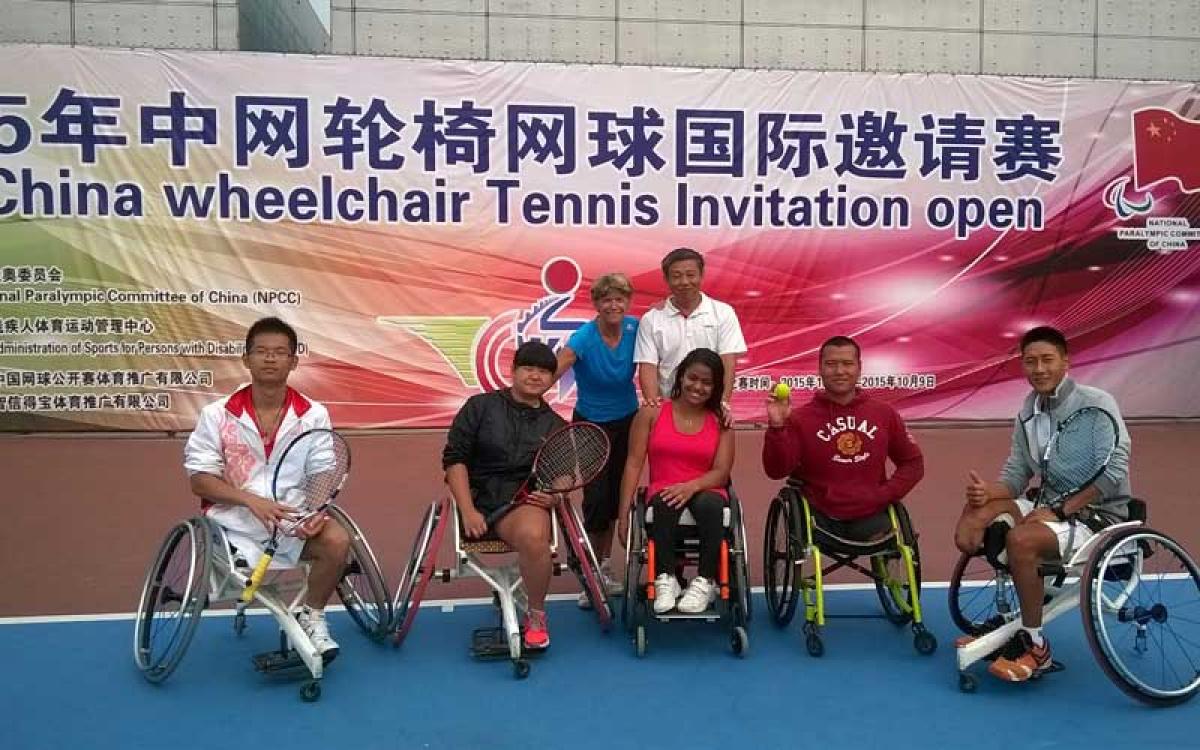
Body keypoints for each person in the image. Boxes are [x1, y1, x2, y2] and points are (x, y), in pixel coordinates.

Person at [953, 326, 1132, 683]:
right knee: (972, 526)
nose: (1039, 368)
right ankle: (1008, 623)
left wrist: (1062, 510)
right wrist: (989, 493)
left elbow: (1114, 470)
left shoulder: (1097, 404)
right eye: (1030, 361)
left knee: (1021, 540)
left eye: (1047, 359)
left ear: (1066, 361)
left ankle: (1036, 646)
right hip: (1046, 508)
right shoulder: (1028, 412)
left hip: (1097, 515)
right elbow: (1017, 473)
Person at [184, 317, 350, 662]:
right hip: (232, 524)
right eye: (261, 352)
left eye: (279, 353)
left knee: (337, 540)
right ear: (246, 360)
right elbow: (199, 479)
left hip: (292, 520)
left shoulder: (314, 414)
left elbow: (323, 471)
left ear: (294, 361)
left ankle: (313, 615)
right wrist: (250, 500)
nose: (270, 359)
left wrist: (314, 512)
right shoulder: (217, 414)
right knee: (242, 519)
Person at [442, 340, 567, 650]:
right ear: (513, 371)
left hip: (523, 504)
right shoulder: (479, 407)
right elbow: (454, 460)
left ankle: (536, 615)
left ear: (552, 379)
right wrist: (468, 510)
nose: (535, 376)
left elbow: (564, 472)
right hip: (480, 499)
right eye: (528, 368)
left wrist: (557, 494)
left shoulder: (555, 425)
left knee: (535, 536)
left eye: (543, 371)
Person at [762, 335, 924, 543]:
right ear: (820, 368)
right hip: (818, 516)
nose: (839, 371)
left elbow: (913, 463)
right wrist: (777, 426)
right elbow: (776, 471)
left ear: (859, 367)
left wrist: (884, 494)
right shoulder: (800, 418)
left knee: (893, 545)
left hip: (872, 513)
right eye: (831, 364)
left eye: (847, 364)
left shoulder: (884, 413)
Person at [618, 348, 735, 615]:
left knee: (710, 506)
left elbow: (722, 471)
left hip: (707, 487)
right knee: (664, 502)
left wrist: (691, 486)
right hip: (664, 489)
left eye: (707, 383)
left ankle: (704, 581)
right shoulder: (652, 413)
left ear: (716, 387)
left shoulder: (721, 420)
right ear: (681, 377)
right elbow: (634, 463)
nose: (698, 387)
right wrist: (623, 515)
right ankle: (666, 578)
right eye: (692, 378)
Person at [552, 273, 639, 609]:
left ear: (627, 302)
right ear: (597, 304)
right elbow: (558, 367)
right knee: (595, 497)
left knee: (618, 495)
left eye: (620, 299)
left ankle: (604, 567)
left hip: (628, 420)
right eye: (607, 300)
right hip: (591, 424)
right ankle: (589, 571)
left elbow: (656, 361)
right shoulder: (584, 337)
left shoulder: (636, 329)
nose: (614, 305)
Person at [633, 248, 746, 423]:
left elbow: (728, 362)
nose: (684, 282)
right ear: (666, 279)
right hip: (668, 408)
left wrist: (722, 404)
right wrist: (656, 410)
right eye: (676, 276)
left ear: (701, 275)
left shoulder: (723, 313)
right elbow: (648, 366)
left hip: (709, 408)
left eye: (690, 275)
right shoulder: (651, 319)